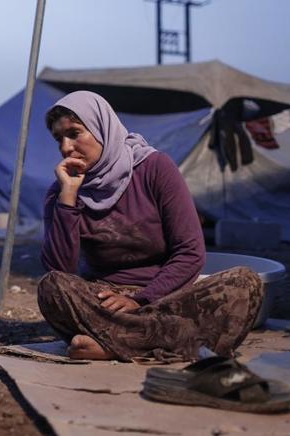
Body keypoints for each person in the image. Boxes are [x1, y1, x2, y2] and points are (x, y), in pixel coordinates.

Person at [37, 90, 263, 362]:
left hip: (165, 296)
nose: (65, 147)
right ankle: (160, 342)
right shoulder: (61, 192)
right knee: (51, 287)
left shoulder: (154, 168)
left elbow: (190, 251)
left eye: (74, 133)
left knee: (245, 282)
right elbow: (60, 269)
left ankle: (114, 345)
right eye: (58, 139)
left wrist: (142, 300)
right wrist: (68, 199)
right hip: (104, 300)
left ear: (101, 128)